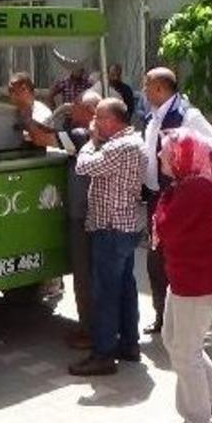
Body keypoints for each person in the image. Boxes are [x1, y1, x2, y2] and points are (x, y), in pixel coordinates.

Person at [152, 128, 212, 423]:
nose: (160, 155)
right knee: (174, 339)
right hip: (189, 280)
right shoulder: (188, 185)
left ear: (183, 155)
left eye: (165, 151)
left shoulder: (196, 189)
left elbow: (170, 229)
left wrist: (161, 217)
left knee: (186, 354)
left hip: (198, 285)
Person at [141, 67, 212, 335]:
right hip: (157, 198)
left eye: (147, 86)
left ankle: (184, 322)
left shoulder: (188, 115)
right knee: (155, 262)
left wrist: (188, 177)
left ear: (160, 89)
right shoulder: (152, 117)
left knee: (176, 258)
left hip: (179, 198)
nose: (143, 91)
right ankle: (162, 317)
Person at [68, 98, 148, 376]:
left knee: (105, 294)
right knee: (125, 289)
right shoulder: (132, 141)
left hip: (112, 230)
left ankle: (103, 354)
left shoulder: (120, 146)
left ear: (113, 121)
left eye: (99, 118)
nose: (95, 123)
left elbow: (84, 166)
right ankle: (128, 344)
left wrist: (91, 140)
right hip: (122, 228)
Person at [28, 90, 102, 350]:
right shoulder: (101, 135)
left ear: (91, 112)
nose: (72, 109)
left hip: (83, 217)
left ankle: (89, 332)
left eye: (78, 106)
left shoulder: (81, 136)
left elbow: (40, 138)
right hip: (97, 217)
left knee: (84, 277)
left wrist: (26, 111)